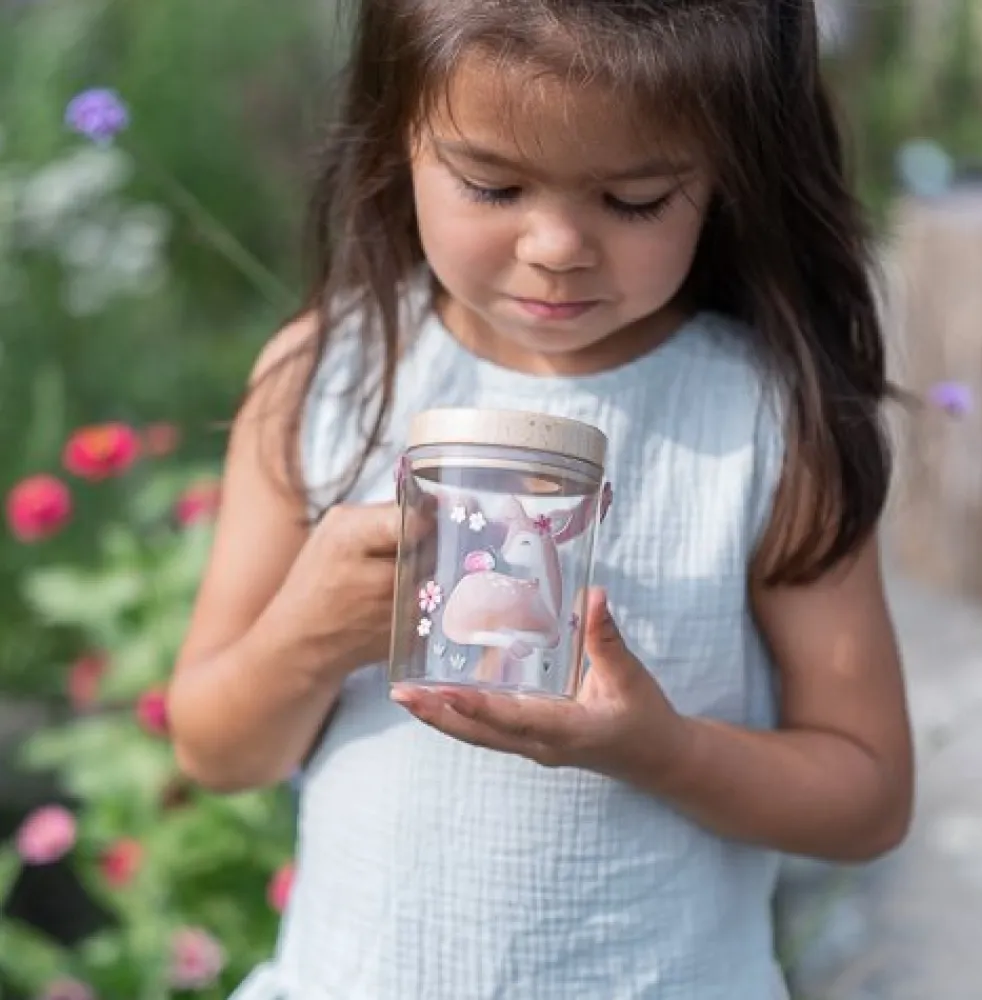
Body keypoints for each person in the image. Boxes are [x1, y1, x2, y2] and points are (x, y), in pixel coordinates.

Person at [167, 1, 914, 997]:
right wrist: (309, 632)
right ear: (402, 137)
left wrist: (665, 750)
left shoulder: (761, 422)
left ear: (726, 174)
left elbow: (867, 795)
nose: (557, 244)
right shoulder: (326, 380)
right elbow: (214, 749)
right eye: (492, 183)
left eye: (636, 198)